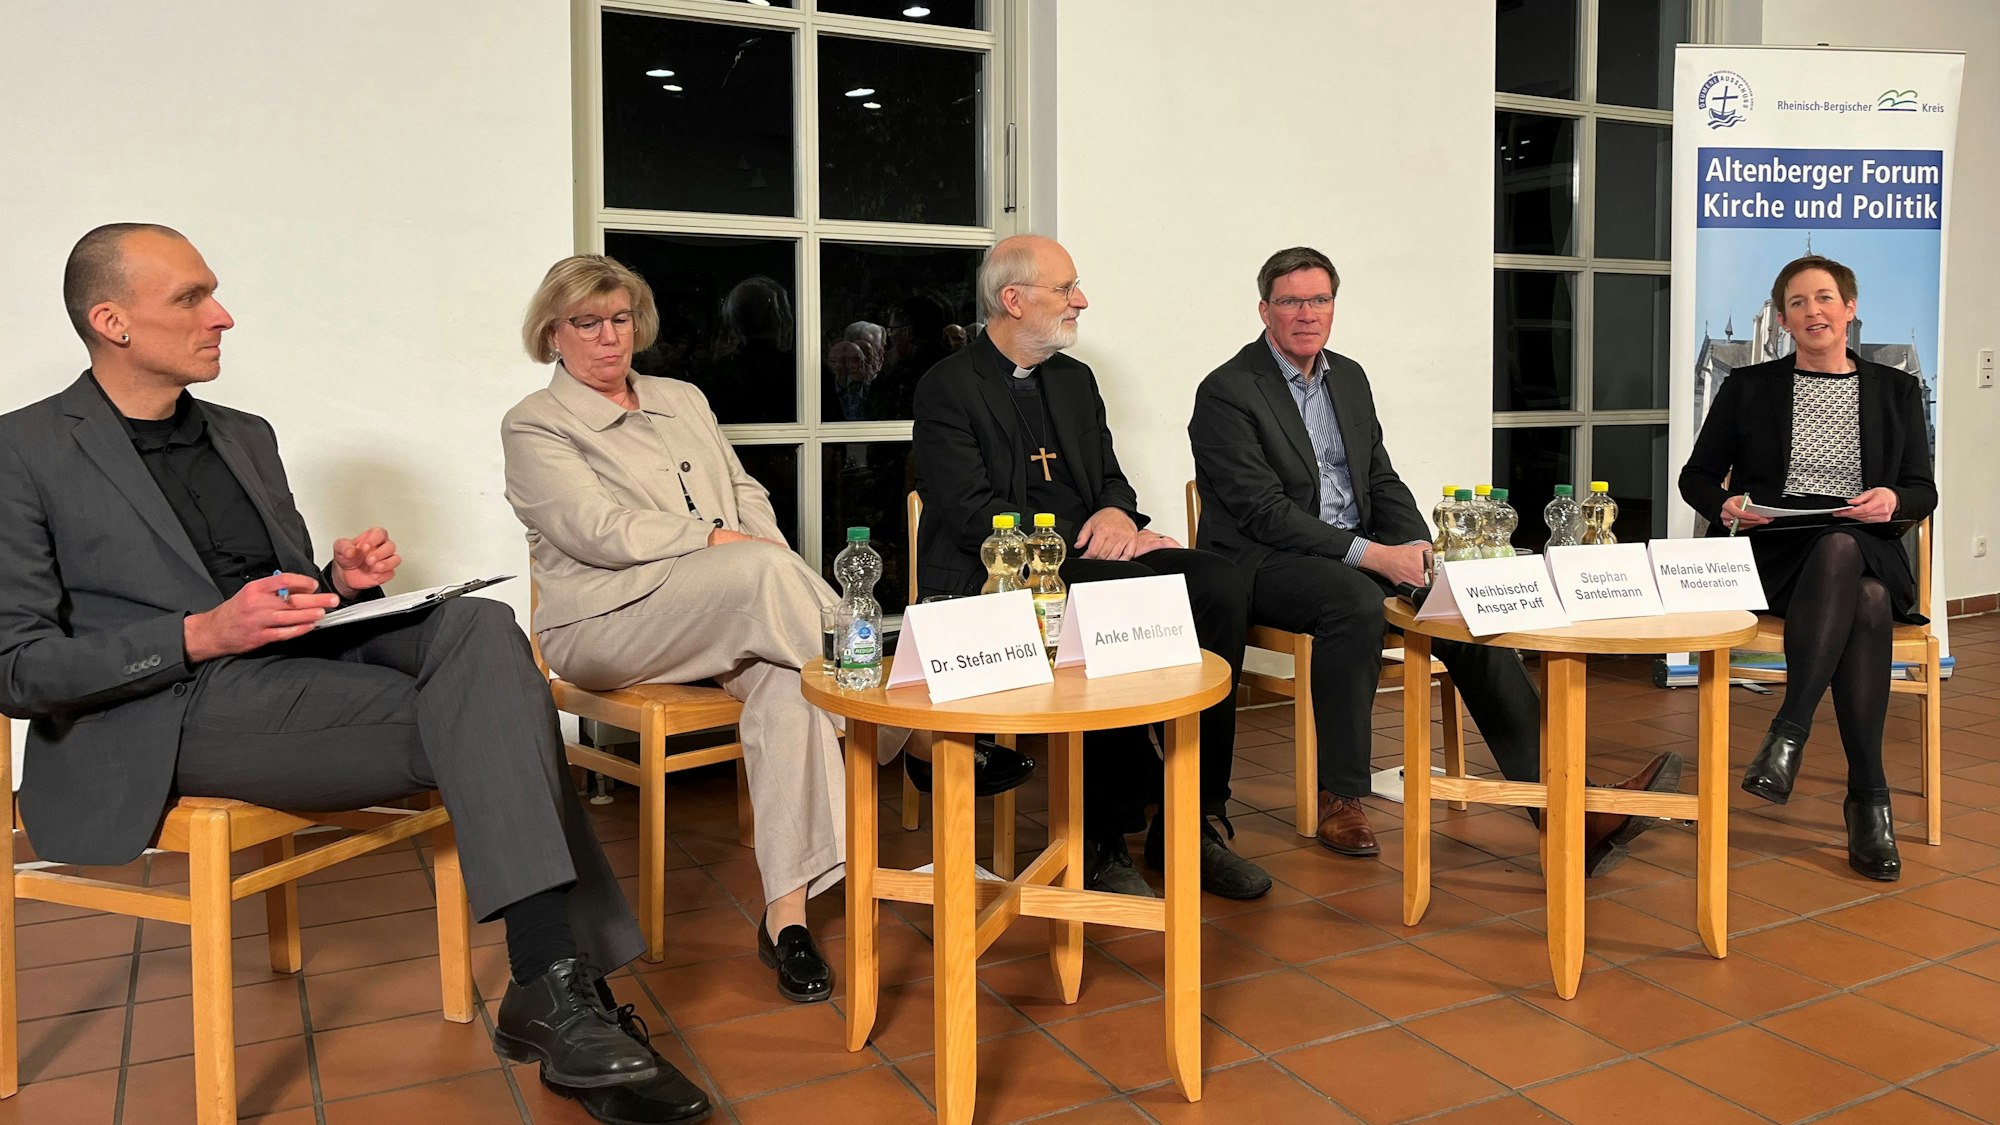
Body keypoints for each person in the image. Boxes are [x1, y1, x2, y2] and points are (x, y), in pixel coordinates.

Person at [0, 224, 710, 1125]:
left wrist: (339, 583)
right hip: (167, 710)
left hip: (292, 669)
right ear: (113, 321)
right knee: (496, 716)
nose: (222, 315)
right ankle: (562, 993)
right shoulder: (24, 450)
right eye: (191, 297)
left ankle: (550, 984)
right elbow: (18, 666)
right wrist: (200, 634)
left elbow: (283, 593)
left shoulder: (243, 435)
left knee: (481, 625)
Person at [1189, 246, 1682, 875]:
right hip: (1263, 562)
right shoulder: (1228, 391)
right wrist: (1376, 555)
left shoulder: (1349, 377)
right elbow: (1262, 512)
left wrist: (1422, 550)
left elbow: (1380, 478)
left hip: (1353, 551)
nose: (1307, 313)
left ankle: (1568, 807)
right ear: (1265, 310)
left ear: (1334, 306)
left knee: (1465, 603)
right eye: (1291, 301)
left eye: (1319, 300)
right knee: (1354, 602)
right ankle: (1342, 795)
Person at [913, 234, 1272, 901]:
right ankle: (1103, 832)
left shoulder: (1074, 380)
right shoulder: (948, 387)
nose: (1081, 300)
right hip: (997, 574)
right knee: (1121, 595)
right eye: (1065, 288)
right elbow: (968, 513)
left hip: (1091, 558)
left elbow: (1110, 477)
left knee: (1219, 583)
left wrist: (1117, 516)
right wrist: (1079, 544)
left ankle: (1192, 817)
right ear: (1013, 299)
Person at [1679, 254, 1935, 882]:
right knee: (1867, 601)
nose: (1812, 311)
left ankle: (1789, 733)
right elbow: (1696, 477)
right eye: (1797, 303)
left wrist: (1893, 499)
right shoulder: (1749, 387)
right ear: (1783, 320)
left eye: (1824, 298)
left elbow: (1921, 489)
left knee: (1846, 553)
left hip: (1863, 539)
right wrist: (1726, 504)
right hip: (1774, 550)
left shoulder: (1895, 389)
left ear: (1849, 309)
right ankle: (1868, 799)